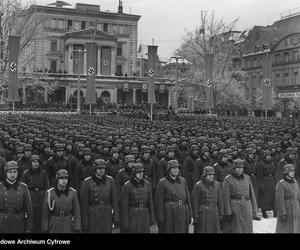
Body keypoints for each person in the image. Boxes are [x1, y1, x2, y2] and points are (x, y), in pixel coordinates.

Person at [80, 159, 118, 233]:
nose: (101, 170)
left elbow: (114, 200)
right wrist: (85, 222)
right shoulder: (87, 182)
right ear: (95, 169)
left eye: (103, 168)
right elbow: (84, 204)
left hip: (107, 212)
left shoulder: (110, 180)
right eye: (99, 168)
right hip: (93, 213)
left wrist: (116, 217)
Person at [155, 159, 192, 233]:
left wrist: (190, 213)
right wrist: (160, 217)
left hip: (182, 211)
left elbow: (187, 198)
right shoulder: (162, 182)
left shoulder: (183, 180)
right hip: (169, 213)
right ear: (169, 170)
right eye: (173, 168)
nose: (176, 170)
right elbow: (159, 202)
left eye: (177, 168)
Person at [222, 159, 258, 233]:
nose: (240, 170)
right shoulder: (228, 179)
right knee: (237, 228)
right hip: (235, 206)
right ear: (234, 168)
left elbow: (252, 193)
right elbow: (225, 198)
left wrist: (254, 208)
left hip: (247, 205)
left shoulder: (247, 177)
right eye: (238, 168)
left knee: (247, 228)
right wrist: (228, 212)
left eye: (241, 168)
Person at [42, 169, 81, 233]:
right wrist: (45, 228)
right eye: (61, 178)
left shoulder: (73, 192)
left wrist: (77, 227)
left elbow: (77, 212)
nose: (64, 181)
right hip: (54, 223)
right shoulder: (50, 193)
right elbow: (45, 213)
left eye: (66, 178)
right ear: (57, 180)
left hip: (68, 223)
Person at [120, 163, 154, 233]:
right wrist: (125, 222)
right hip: (133, 215)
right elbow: (124, 206)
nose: (141, 174)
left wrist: (152, 217)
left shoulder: (147, 184)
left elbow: (150, 202)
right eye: (138, 172)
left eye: (142, 172)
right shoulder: (127, 186)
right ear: (134, 173)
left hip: (144, 214)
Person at [0, 161, 33, 233]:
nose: (12, 174)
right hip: (2, 222)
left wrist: (28, 227)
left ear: (18, 173)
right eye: (10, 172)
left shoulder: (23, 187)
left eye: (15, 172)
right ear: (6, 173)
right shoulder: (0, 186)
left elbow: (28, 208)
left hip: (18, 222)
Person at [21, 154, 50, 233]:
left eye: (37, 162)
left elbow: (47, 186)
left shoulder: (43, 172)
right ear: (30, 163)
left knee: (41, 215)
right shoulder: (25, 173)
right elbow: (23, 188)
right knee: (32, 215)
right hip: (31, 195)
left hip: (41, 196)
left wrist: (46, 197)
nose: (36, 163)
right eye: (34, 162)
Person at [191, 166, 223, 233]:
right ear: (204, 175)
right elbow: (195, 203)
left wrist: (221, 214)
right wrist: (195, 216)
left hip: (214, 212)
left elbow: (220, 201)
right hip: (203, 213)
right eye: (209, 175)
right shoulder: (198, 185)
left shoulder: (217, 185)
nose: (211, 176)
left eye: (212, 175)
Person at [275, 164, 300, 233]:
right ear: (286, 172)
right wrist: (282, 213)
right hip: (287, 209)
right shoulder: (281, 184)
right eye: (291, 171)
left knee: (296, 228)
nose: (293, 172)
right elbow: (279, 200)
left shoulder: (295, 182)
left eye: (293, 170)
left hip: (296, 209)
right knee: (285, 229)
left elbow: (298, 196)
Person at [257, 150, 276, 218]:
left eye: (270, 155)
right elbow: (259, 175)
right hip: (264, 180)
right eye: (267, 155)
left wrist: (275, 181)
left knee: (273, 196)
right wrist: (260, 184)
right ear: (264, 156)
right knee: (264, 197)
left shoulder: (272, 163)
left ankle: (274, 211)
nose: (269, 157)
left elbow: (274, 173)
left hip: (271, 181)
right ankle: (264, 212)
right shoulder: (260, 164)